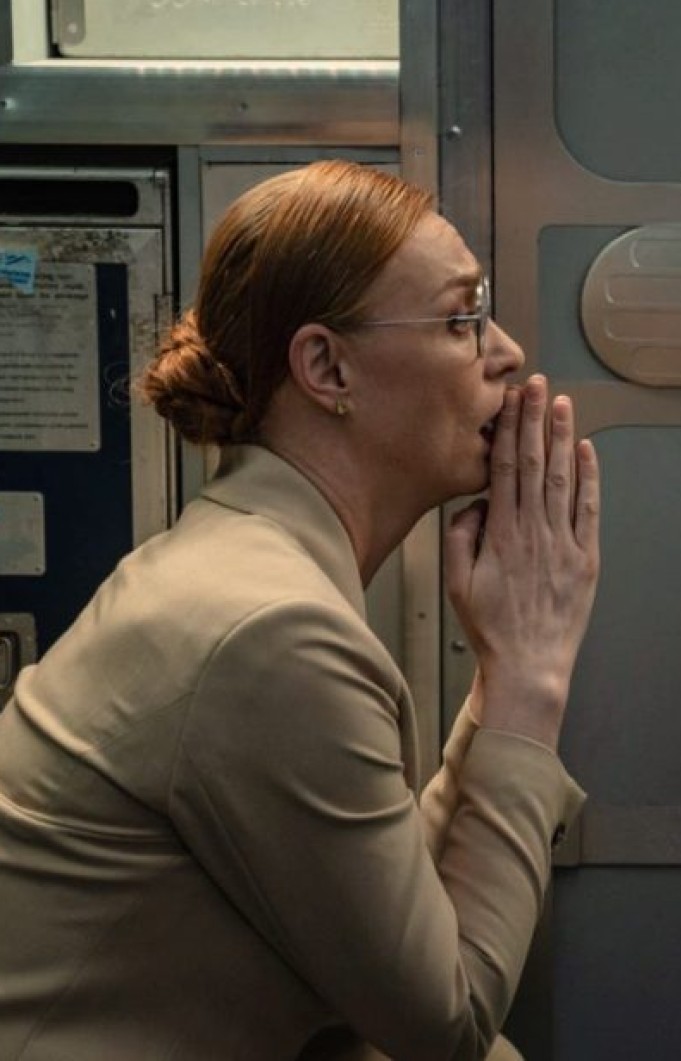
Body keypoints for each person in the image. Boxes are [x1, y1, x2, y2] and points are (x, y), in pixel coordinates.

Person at [0, 161, 601, 1060]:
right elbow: (448, 1022)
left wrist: (495, 688)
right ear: (326, 367)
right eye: (461, 319)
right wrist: (528, 681)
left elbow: (390, 921)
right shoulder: (271, 630)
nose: (506, 351)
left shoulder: (242, 570)